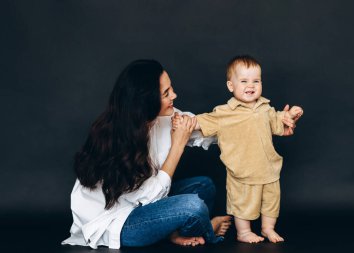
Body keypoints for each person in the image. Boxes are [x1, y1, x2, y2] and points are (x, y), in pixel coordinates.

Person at [61, 59, 232, 249]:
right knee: (193, 206)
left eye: (171, 88)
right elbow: (148, 199)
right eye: (166, 93)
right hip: (117, 222)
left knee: (204, 186)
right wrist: (178, 146)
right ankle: (208, 229)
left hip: (144, 206)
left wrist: (246, 121)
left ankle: (171, 234)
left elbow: (202, 127)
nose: (174, 95)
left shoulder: (162, 117)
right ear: (146, 101)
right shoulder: (118, 139)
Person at [172, 55, 303, 244]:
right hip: (242, 170)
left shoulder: (265, 108)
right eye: (244, 81)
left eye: (256, 81)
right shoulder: (225, 112)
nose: (251, 85)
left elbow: (277, 123)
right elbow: (204, 120)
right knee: (242, 203)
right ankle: (244, 232)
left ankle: (268, 228)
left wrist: (289, 115)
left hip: (268, 168)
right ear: (231, 86)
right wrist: (185, 121)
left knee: (271, 202)